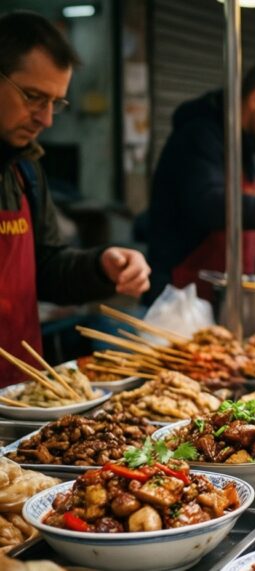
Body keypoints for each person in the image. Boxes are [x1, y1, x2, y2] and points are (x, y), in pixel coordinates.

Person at [0, 11, 150, 386]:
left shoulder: (25, 170)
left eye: (56, 102)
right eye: (33, 97)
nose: (46, 119)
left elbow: (47, 267)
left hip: (20, 392)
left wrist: (102, 266)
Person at [146, 59, 255, 302]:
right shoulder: (198, 137)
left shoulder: (252, 158)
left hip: (229, 299)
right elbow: (205, 202)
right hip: (180, 297)